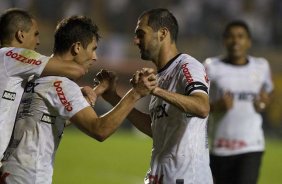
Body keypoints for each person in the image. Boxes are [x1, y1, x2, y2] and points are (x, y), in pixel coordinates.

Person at [0, 15, 157, 184]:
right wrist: (135, 93)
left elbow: (50, 118)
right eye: (93, 48)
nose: (95, 56)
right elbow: (100, 130)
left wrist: (98, 91)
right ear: (77, 48)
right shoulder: (62, 84)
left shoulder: (33, 79)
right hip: (29, 178)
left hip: (10, 172)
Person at [101, 8, 213, 184]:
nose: (135, 40)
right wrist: (114, 98)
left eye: (141, 34)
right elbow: (156, 128)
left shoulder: (187, 66)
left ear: (162, 34)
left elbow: (202, 107)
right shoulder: (160, 75)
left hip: (186, 178)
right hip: (159, 176)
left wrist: (156, 90)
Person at [0, 8, 88, 163]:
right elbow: (76, 70)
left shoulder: (10, 69)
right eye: (35, 34)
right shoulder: (11, 55)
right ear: (21, 35)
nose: (38, 41)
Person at [204, 20, 274, 184]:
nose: (236, 41)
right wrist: (215, 106)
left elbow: (269, 93)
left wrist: (265, 102)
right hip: (218, 148)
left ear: (249, 41)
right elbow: (195, 103)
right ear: (224, 41)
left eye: (241, 37)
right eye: (231, 37)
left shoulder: (261, 66)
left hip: (251, 147)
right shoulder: (210, 66)